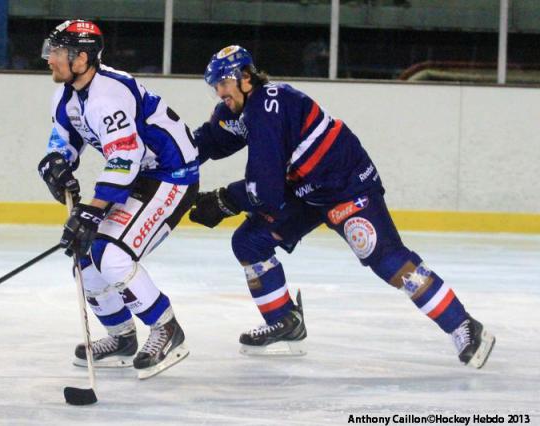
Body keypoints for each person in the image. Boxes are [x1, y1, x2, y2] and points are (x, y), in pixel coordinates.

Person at [189, 45, 495, 368]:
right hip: (305, 191)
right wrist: (166, 167)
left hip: (346, 187)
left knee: (388, 260)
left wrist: (225, 200)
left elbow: (264, 190)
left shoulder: (265, 110)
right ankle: (285, 325)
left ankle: (463, 324)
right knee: (250, 241)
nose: (219, 91)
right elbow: (210, 140)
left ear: (246, 78)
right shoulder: (241, 109)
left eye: (224, 82)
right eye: (216, 85)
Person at [37, 20, 199, 379]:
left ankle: (167, 329)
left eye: (58, 51)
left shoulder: (108, 95)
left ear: (82, 57)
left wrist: (91, 211)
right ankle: (122, 337)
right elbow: (64, 138)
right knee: (85, 254)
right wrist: (55, 163)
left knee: (111, 255)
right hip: (142, 174)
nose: (50, 58)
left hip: (172, 175)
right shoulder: (67, 92)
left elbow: (123, 158)